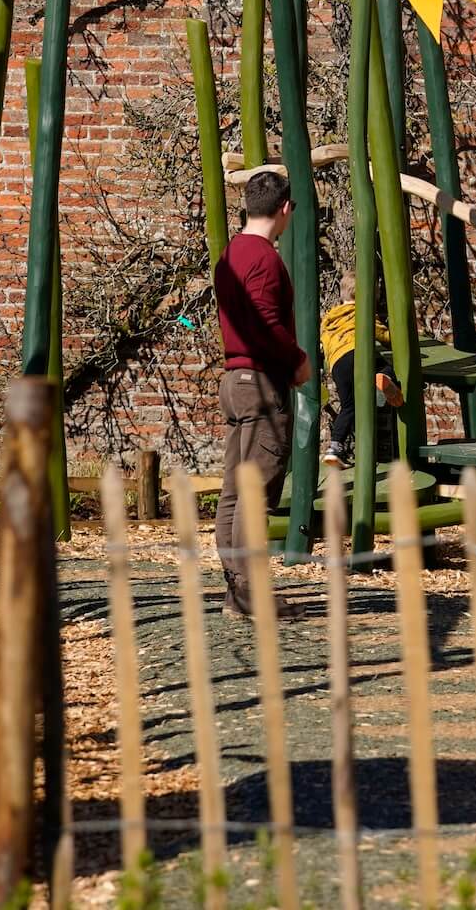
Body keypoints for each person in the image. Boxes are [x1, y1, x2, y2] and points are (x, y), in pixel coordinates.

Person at [213, 170, 311, 617]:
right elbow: (267, 324)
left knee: (235, 491)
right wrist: (298, 360)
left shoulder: (230, 254)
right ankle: (252, 594)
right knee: (256, 492)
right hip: (261, 384)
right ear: (285, 208)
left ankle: (238, 591)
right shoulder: (265, 260)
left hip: (234, 381)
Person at [320, 270, 403, 468]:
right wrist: (397, 339)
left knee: (349, 406)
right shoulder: (362, 313)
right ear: (368, 295)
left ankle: (334, 448)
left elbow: (324, 342)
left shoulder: (330, 318)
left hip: (337, 364)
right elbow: (382, 334)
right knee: (385, 365)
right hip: (357, 353)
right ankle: (384, 378)